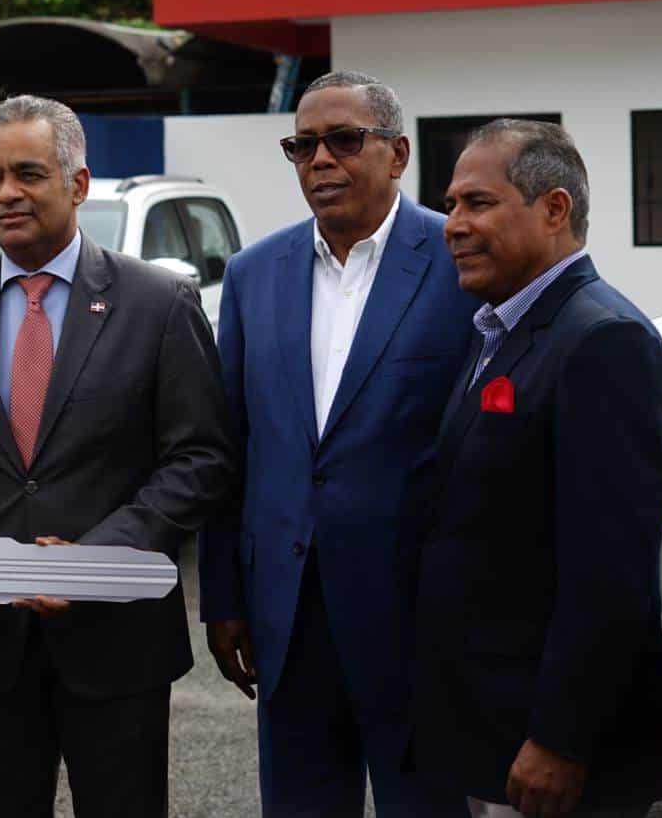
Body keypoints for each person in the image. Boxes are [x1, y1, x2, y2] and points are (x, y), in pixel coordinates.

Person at [0, 95, 237, 818]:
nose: (7, 194)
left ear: (78, 185)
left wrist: (97, 562)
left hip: (115, 641)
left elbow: (201, 457)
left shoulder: (159, 303)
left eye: (28, 173)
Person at [196, 73, 478, 816]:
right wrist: (223, 596)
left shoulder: (459, 265)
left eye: (344, 140)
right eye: (302, 145)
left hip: (418, 622)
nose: (321, 161)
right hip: (287, 621)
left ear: (397, 154)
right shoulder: (255, 275)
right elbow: (232, 445)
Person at [411, 120, 662, 818]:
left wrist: (562, 738)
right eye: (450, 206)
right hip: (499, 732)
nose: (453, 225)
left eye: (477, 203)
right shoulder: (500, 332)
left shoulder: (604, 341)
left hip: (562, 757)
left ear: (554, 210)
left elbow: (611, 573)